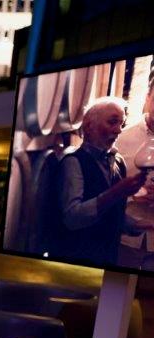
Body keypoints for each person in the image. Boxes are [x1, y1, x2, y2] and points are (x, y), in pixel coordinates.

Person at [54, 96, 150, 265]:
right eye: (112, 122)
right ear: (89, 126)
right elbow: (72, 218)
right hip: (79, 258)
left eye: (121, 124)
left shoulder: (117, 161)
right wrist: (116, 192)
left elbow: (114, 215)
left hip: (109, 257)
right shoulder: (73, 162)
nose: (119, 130)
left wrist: (139, 225)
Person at [115, 73, 154, 271]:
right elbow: (103, 188)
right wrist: (131, 196)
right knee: (116, 285)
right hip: (125, 239)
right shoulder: (120, 139)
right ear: (147, 97)